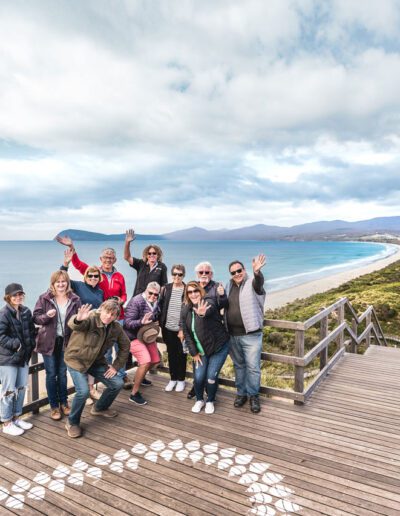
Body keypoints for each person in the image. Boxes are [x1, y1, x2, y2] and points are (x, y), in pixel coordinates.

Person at [55, 235, 130, 388]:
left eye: (111, 258)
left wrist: (121, 301)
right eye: (105, 257)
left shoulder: (119, 276)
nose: (108, 260)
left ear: (115, 260)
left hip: (117, 317)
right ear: (100, 259)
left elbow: (124, 293)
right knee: (103, 352)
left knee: (120, 347)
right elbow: (77, 264)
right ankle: (102, 382)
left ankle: (120, 375)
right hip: (97, 319)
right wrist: (71, 246)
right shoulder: (95, 272)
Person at [64, 300, 131, 438]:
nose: (108, 316)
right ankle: (72, 422)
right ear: (101, 309)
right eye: (107, 312)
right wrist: (77, 319)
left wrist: (116, 366)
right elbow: (74, 324)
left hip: (96, 362)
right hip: (77, 361)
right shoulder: (90, 318)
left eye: (113, 315)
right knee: (83, 392)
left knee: (117, 383)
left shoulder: (115, 327)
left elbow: (125, 346)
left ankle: (99, 408)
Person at [33, 270, 81, 421]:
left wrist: (81, 319)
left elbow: (80, 321)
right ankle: (54, 406)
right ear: (53, 284)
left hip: (67, 342)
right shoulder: (45, 298)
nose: (61, 284)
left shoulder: (75, 299)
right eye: (57, 282)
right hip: (48, 342)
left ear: (67, 283)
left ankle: (64, 403)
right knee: (51, 374)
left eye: (63, 281)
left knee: (62, 373)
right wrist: (47, 316)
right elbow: (35, 318)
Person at [225, 255, 267, 414]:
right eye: (233, 272)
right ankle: (241, 394)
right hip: (232, 335)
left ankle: (254, 396)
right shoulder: (228, 286)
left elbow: (259, 284)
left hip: (251, 335)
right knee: (239, 366)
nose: (236, 274)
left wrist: (257, 272)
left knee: (253, 368)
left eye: (239, 270)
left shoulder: (252, 283)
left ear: (244, 270)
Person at [61, 249, 104, 400]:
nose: (93, 278)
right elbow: (63, 280)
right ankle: (82, 392)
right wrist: (65, 264)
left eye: (95, 276)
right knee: (80, 361)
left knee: (92, 359)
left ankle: (91, 389)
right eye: (90, 275)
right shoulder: (79, 286)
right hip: (81, 328)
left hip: (95, 330)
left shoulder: (100, 292)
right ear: (86, 277)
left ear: (99, 278)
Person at [181, 281, 230, 415]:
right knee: (198, 377)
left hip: (217, 348)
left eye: (196, 290)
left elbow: (210, 309)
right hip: (200, 351)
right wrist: (194, 353)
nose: (193, 294)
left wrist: (202, 313)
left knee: (210, 377)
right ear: (187, 294)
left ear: (200, 291)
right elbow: (187, 334)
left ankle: (210, 400)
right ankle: (199, 399)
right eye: (190, 292)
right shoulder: (185, 310)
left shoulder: (208, 300)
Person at [186, 261, 227, 399]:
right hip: (198, 337)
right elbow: (185, 310)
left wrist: (221, 295)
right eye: (201, 272)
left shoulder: (216, 287)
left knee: (210, 372)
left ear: (211, 274)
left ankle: (209, 393)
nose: (204, 274)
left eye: (207, 272)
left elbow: (220, 305)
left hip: (213, 334)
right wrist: (181, 328)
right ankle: (197, 387)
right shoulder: (192, 287)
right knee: (198, 370)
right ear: (197, 274)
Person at [0, 283, 36, 436]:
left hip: (23, 357)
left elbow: (32, 331)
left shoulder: (26, 311)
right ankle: (6, 422)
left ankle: (16, 418)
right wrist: (17, 344)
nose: (18, 297)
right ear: (8, 297)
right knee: (8, 391)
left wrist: (31, 345)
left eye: (20, 294)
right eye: (14, 295)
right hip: (8, 359)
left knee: (21, 388)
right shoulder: (3, 313)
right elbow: (1, 336)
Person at [123, 282, 161, 406]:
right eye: (150, 293)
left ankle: (140, 376)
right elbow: (127, 323)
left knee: (155, 360)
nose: (153, 296)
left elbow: (155, 315)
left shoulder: (155, 302)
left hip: (146, 335)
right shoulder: (136, 301)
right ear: (145, 290)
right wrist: (141, 322)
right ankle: (134, 394)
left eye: (156, 294)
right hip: (132, 337)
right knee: (145, 361)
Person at [158, 264, 186, 392]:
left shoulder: (187, 289)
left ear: (183, 275)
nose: (177, 277)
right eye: (174, 274)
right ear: (171, 275)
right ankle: (173, 379)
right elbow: (159, 306)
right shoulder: (166, 288)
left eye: (179, 274)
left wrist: (183, 328)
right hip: (167, 328)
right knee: (171, 354)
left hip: (181, 330)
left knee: (182, 355)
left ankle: (181, 380)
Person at [124, 229, 168, 296]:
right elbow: (127, 257)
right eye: (149, 253)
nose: (151, 255)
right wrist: (127, 243)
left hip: (152, 300)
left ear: (158, 255)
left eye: (154, 253)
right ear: (146, 255)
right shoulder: (141, 263)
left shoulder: (162, 266)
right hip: (138, 299)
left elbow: (163, 285)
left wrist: (161, 300)